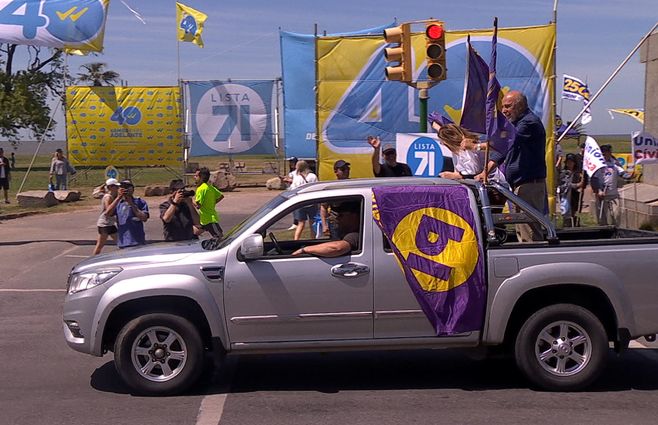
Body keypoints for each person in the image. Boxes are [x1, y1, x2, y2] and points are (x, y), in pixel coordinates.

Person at [476, 91, 547, 242]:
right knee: (521, 226)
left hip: (529, 185)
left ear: (520, 106)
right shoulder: (515, 124)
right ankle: (526, 255)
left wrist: (476, 146)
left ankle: (533, 258)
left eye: (508, 106)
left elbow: (508, 142)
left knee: (529, 227)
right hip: (518, 185)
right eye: (502, 107)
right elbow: (501, 153)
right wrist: (485, 172)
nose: (504, 110)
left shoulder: (529, 123)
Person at [292, 201, 360, 257]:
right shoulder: (350, 232)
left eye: (341, 215)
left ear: (354, 216)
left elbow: (337, 248)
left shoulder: (355, 235)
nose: (338, 218)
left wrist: (304, 250)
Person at [590, 144, 629, 226]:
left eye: (607, 153)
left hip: (613, 194)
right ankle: (604, 234)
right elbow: (594, 179)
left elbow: (622, 172)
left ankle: (616, 232)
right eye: (603, 153)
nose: (606, 155)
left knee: (616, 215)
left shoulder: (614, 162)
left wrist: (629, 176)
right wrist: (599, 190)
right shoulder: (597, 164)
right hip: (602, 195)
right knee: (603, 218)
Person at [320, 160, 351, 237]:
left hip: (352, 223)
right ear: (335, 171)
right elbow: (324, 207)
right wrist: (324, 225)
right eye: (343, 169)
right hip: (336, 223)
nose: (346, 171)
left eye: (348, 169)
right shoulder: (331, 188)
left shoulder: (353, 185)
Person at [116, 179, 149, 248]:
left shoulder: (139, 202)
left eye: (127, 187)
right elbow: (107, 214)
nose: (125, 189)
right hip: (123, 242)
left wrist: (131, 203)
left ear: (132, 189)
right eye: (122, 187)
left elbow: (144, 218)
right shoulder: (118, 203)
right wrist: (118, 197)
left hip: (137, 241)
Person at [289, 160, 318, 240]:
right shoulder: (313, 176)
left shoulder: (297, 178)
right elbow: (317, 187)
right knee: (312, 223)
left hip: (301, 203)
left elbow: (293, 189)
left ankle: (296, 240)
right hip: (312, 202)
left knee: (301, 223)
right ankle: (313, 239)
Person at [92, 178, 122, 255]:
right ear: (110, 187)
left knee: (120, 243)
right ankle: (93, 260)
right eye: (115, 186)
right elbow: (108, 211)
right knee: (100, 246)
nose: (117, 188)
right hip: (104, 224)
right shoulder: (108, 197)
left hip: (110, 224)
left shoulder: (113, 196)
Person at [193, 167, 224, 239]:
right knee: (194, 232)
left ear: (201, 177)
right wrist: (212, 203)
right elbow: (221, 196)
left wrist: (191, 200)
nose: (194, 177)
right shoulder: (210, 187)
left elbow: (198, 205)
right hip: (204, 219)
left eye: (196, 176)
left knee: (219, 237)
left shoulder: (201, 189)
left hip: (209, 219)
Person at [558, 153, 583, 227]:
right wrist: (576, 185)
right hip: (566, 195)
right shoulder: (563, 173)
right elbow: (564, 184)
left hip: (575, 195)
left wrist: (582, 183)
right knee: (567, 211)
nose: (570, 163)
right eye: (568, 162)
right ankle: (567, 225)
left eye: (571, 162)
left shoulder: (577, 173)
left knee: (574, 211)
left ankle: (575, 224)